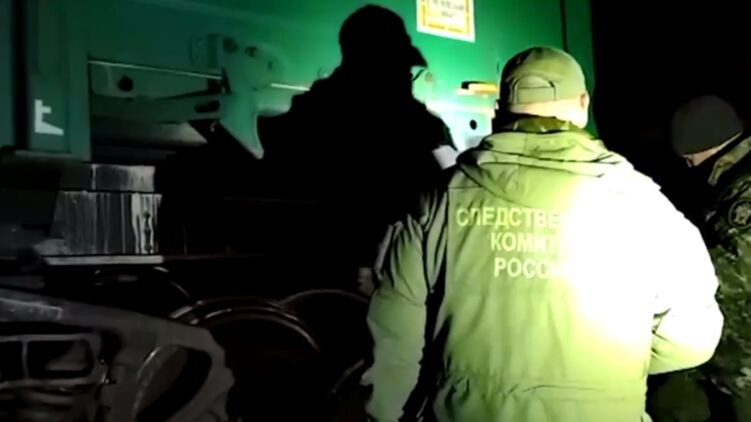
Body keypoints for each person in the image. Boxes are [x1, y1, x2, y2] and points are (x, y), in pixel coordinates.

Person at [360, 46, 724, 422]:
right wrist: (612, 367)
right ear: (583, 105)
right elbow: (695, 336)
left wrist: (386, 413)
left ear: (499, 110)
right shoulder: (647, 206)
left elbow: (395, 335)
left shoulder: (437, 201)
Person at [258, 5, 456, 289]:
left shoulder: (303, 118)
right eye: (401, 66)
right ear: (380, 64)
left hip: (305, 280)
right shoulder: (417, 129)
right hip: (385, 282)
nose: (406, 76)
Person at [655, 94, 751, 421]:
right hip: (721, 353)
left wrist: (663, 276)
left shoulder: (745, 189)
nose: (689, 166)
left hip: (743, 363)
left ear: (708, 144)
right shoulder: (729, 180)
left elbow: (739, 271)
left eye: (690, 158)